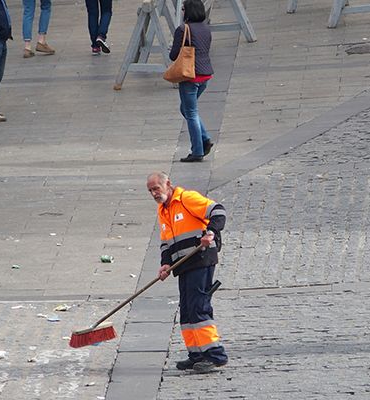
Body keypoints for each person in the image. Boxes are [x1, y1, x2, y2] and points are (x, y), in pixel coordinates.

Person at [147, 171, 228, 372]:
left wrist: (211, 233)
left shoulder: (186, 198)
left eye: (156, 188)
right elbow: (166, 242)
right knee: (187, 310)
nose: (154, 193)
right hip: (183, 265)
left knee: (199, 307)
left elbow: (218, 211)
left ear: (168, 184)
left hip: (200, 259)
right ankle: (196, 354)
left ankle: (215, 355)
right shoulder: (163, 210)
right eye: (150, 191)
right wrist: (165, 263)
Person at [172, 0, 214, 163]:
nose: (182, 11)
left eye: (183, 9)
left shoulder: (183, 29)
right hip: (205, 74)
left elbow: (174, 55)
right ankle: (204, 140)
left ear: (187, 11)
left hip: (190, 75)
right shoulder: (206, 28)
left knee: (190, 112)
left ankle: (197, 150)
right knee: (187, 109)